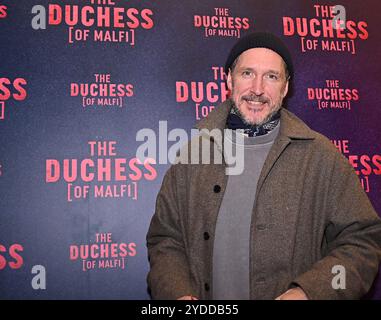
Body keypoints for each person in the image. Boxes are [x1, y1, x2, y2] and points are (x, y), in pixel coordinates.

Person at [146, 32, 381, 300]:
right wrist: (178, 294)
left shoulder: (321, 157)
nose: (257, 89)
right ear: (228, 80)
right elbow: (165, 239)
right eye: (247, 73)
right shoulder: (193, 155)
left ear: (285, 87)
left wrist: (309, 292)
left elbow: (363, 241)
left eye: (271, 76)